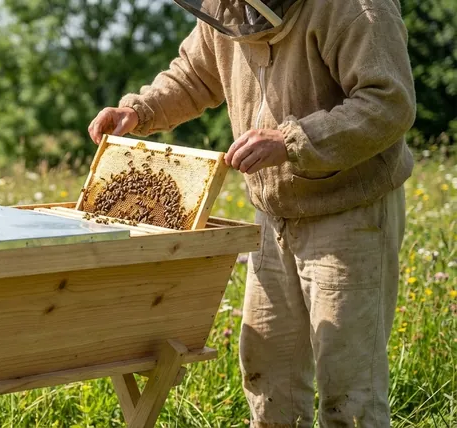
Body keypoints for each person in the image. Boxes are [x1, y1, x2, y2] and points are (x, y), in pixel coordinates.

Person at [87, 0, 415, 426]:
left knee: (350, 391)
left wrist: (291, 140)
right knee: (268, 377)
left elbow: (389, 102)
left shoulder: (353, 7)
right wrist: (139, 110)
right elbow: (194, 74)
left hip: (348, 212)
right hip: (273, 218)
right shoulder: (228, 8)